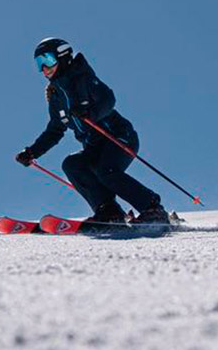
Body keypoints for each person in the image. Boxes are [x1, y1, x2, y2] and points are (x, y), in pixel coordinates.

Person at [14, 38, 171, 227]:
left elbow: (108, 98)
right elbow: (55, 130)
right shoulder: (56, 97)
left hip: (118, 136)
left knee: (107, 170)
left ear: (62, 56)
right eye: (39, 64)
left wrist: (91, 112)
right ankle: (108, 211)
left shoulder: (83, 78)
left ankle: (152, 208)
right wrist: (32, 152)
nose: (44, 69)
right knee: (73, 164)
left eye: (47, 60)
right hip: (94, 146)